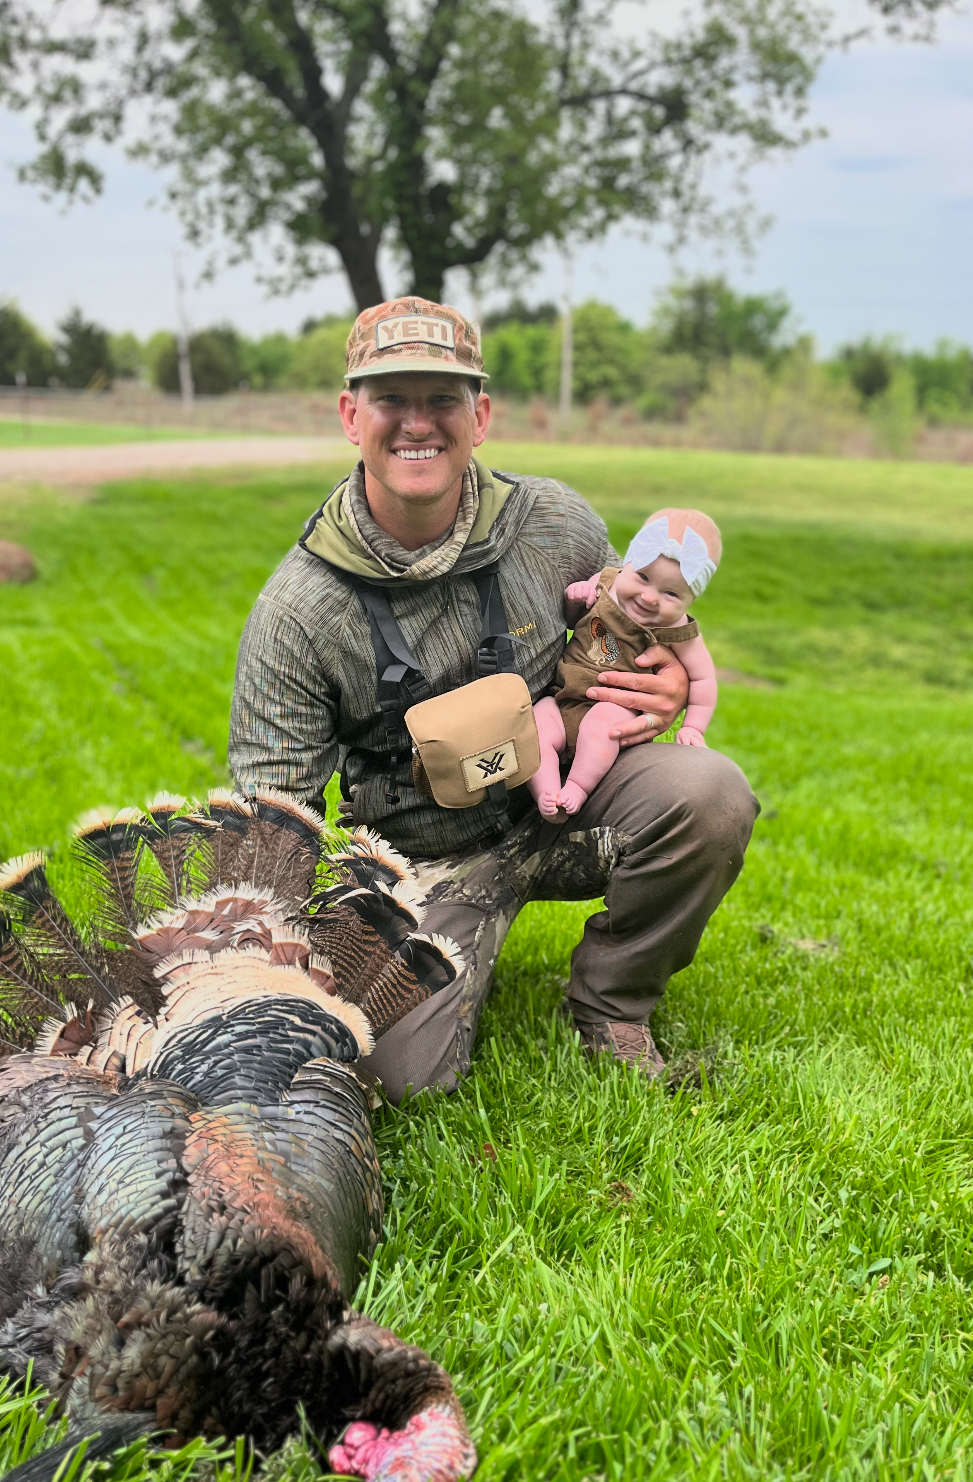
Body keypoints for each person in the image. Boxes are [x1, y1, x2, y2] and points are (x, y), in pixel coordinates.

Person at [229, 296, 759, 1096]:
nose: (418, 423)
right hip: (421, 856)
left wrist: (666, 687)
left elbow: (635, 624)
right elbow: (271, 821)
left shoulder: (553, 523)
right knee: (398, 1077)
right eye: (390, 398)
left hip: (568, 801)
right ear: (349, 415)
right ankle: (444, 954)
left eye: (442, 399)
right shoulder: (298, 613)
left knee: (709, 795)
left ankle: (611, 1002)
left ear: (479, 416)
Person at [529, 508, 721, 822]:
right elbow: (571, 620)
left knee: (603, 724)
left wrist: (692, 727)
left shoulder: (678, 631)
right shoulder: (606, 582)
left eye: (671, 593)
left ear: (691, 600)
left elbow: (703, 679)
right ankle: (548, 793)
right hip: (562, 697)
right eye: (643, 577)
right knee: (537, 724)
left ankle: (577, 787)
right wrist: (577, 597)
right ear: (628, 562)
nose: (649, 597)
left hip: (614, 707)